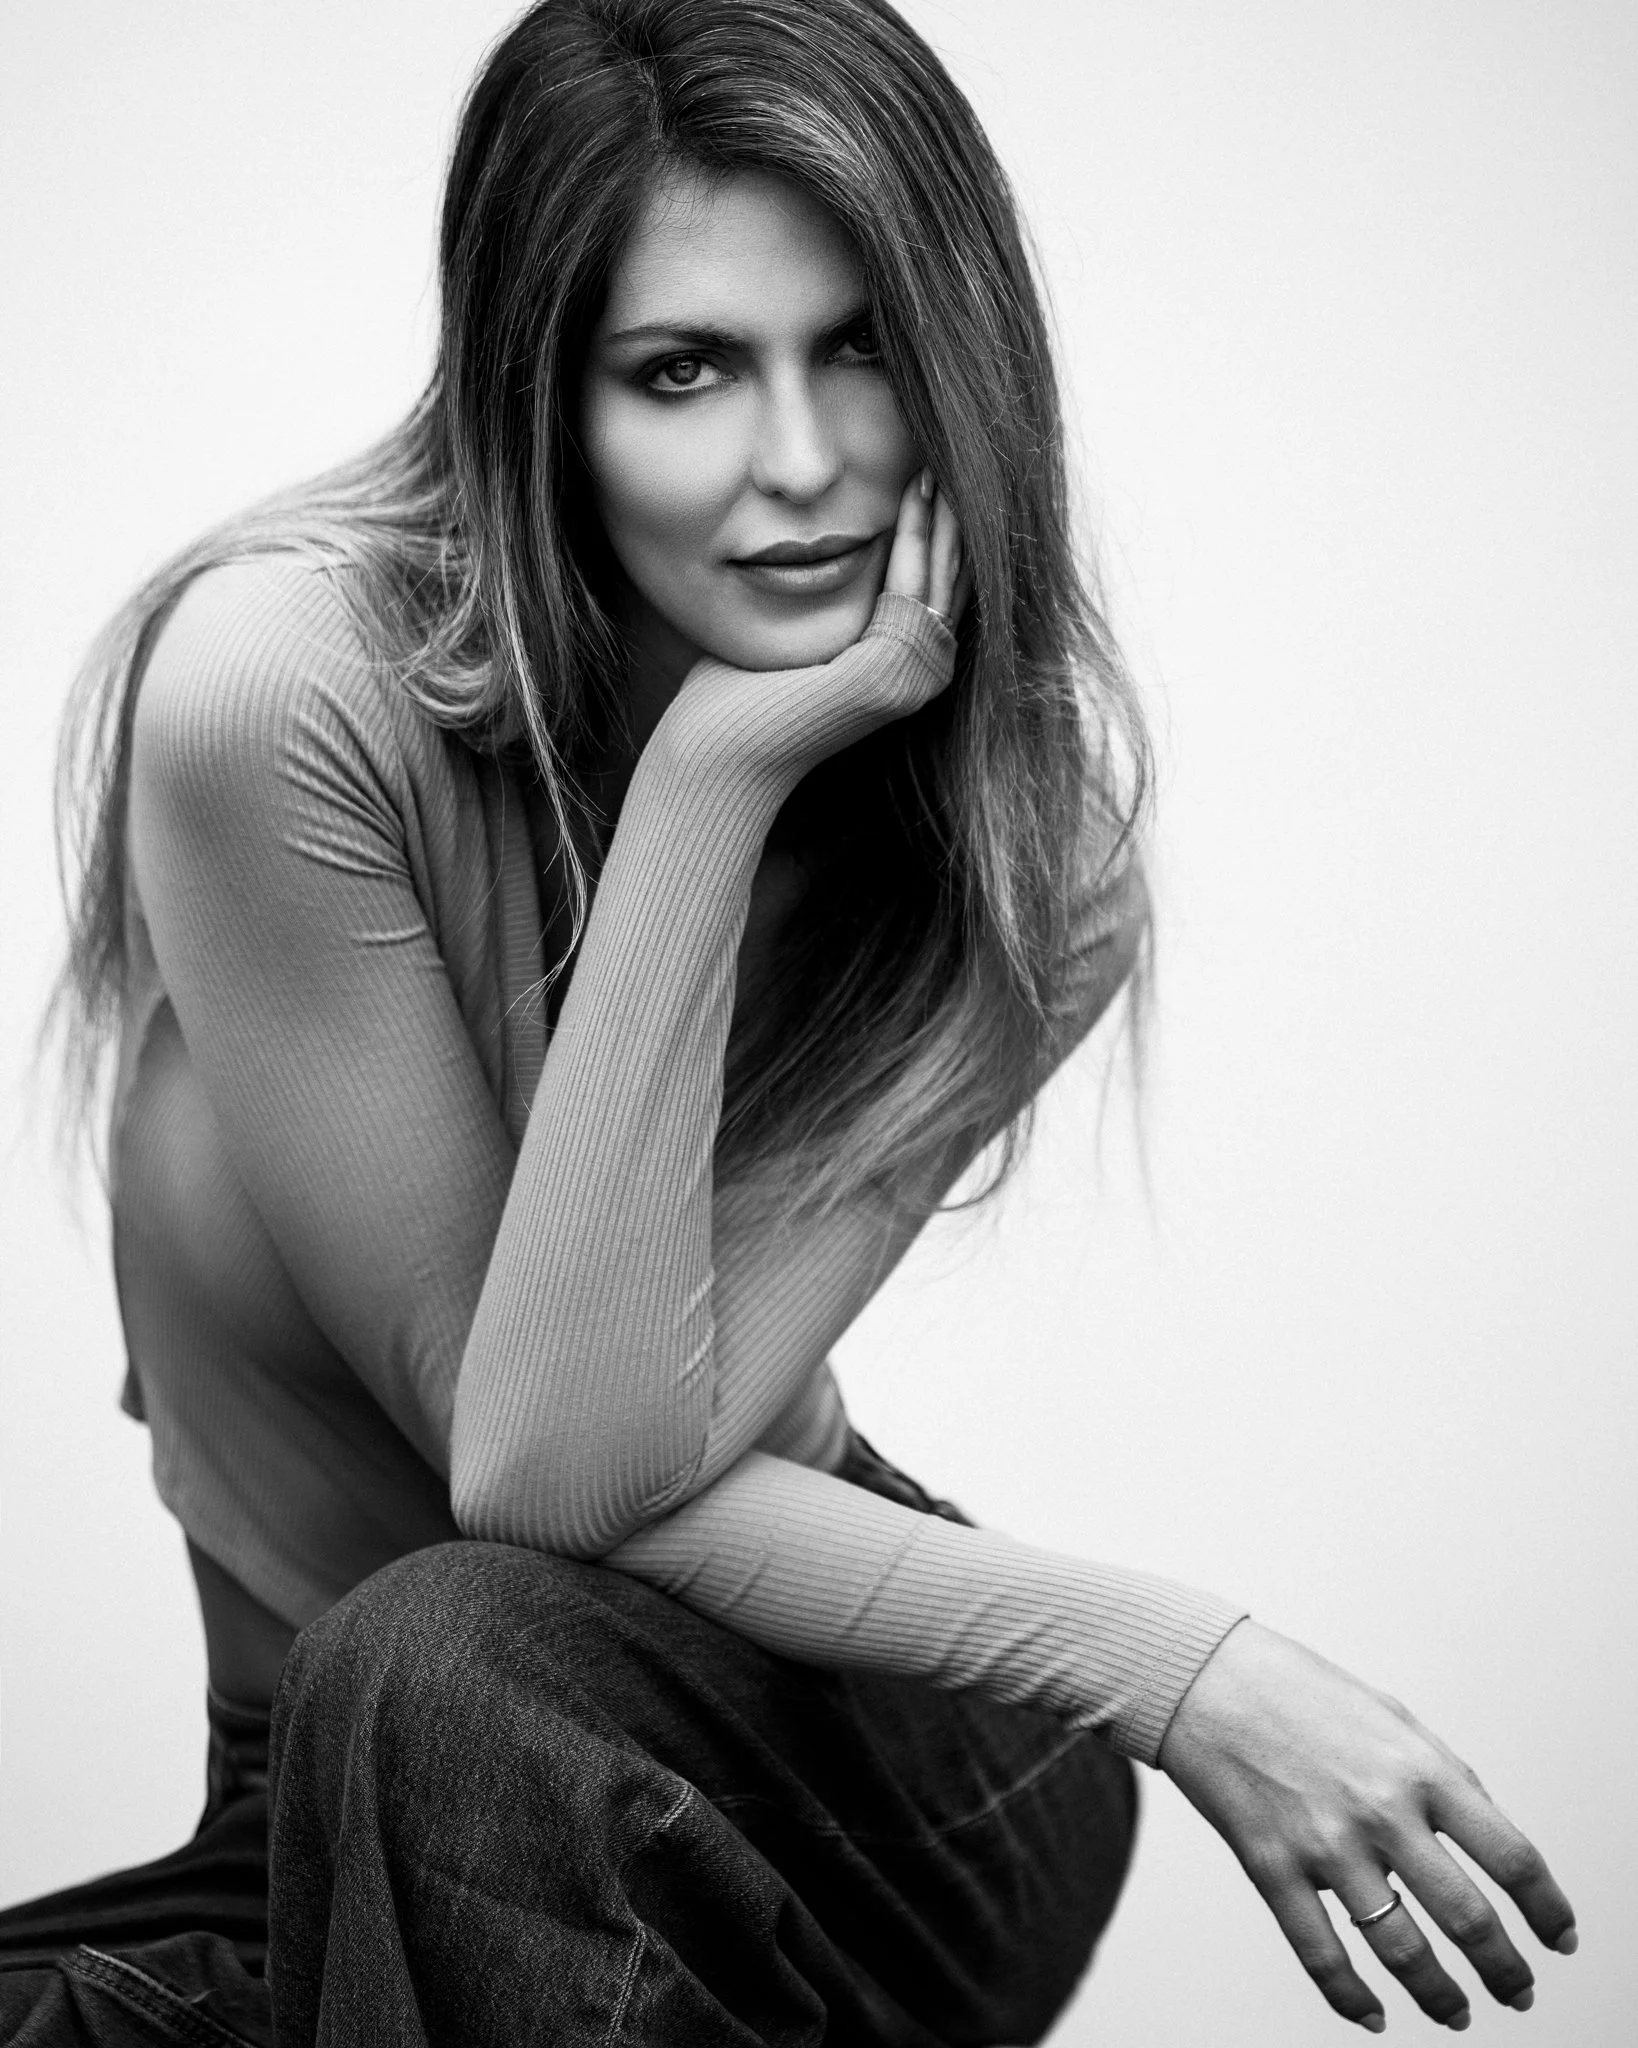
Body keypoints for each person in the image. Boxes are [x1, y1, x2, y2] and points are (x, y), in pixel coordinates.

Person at [0, 1, 1578, 2042]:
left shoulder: (1025, 856)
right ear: (538, 402)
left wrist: (719, 777)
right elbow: (540, 1457)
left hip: (870, 1768)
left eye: (864, 344)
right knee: (396, 1700)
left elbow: (556, 1482)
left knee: (443, 1654)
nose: (809, 463)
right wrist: (1190, 1657)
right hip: (333, 1789)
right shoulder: (280, 694)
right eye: (685, 370)